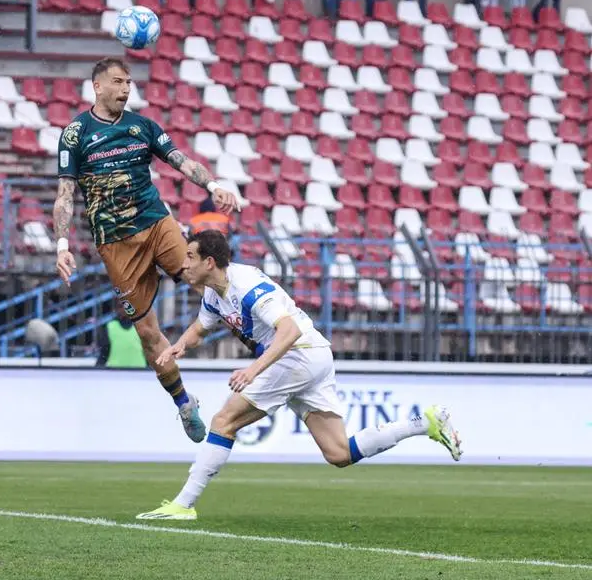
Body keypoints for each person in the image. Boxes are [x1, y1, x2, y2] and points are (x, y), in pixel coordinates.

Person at [136, 231, 462, 520]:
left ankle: (184, 503)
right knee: (339, 453)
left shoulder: (247, 286)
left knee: (224, 421)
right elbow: (200, 328)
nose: (184, 263)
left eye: (190, 256)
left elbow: (288, 330)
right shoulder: (213, 293)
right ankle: (424, 423)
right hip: (312, 354)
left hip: (299, 353)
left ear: (209, 262)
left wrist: (253, 370)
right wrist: (178, 346)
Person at [54, 58, 240, 444]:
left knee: (210, 280)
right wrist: (62, 245)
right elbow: (65, 194)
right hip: (115, 244)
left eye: (129, 82)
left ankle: (261, 338)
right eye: (118, 82)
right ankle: (185, 404)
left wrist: (214, 186)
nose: (125, 89)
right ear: (97, 87)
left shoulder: (142, 127)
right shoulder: (75, 134)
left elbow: (182, 161)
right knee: (147, 333)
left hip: (156, 223)